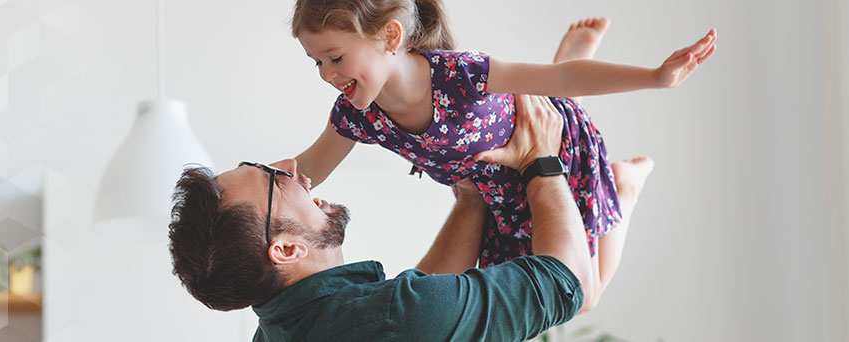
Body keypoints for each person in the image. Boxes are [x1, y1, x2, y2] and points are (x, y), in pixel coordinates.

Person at [285, 0, 713, 301]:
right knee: (552, 290)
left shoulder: (459, 75)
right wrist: (229, 184)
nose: (326, 74)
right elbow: (305, 169)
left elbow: (561, 79)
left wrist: (657, 76)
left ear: (390, 36)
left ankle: (625, 184)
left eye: (335, 58)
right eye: (316, 62)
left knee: (582, 296)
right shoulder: (358, 115)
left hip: (556, 154)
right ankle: (567, 85)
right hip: (501, 195)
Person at [168, 93, 655, 340]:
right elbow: (564, 282)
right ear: (286, 249)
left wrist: (472, 197)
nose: (290, 165)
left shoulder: (283, 328)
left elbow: (414, 304)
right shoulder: (395, 317)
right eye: (273, 179)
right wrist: (540, 160)